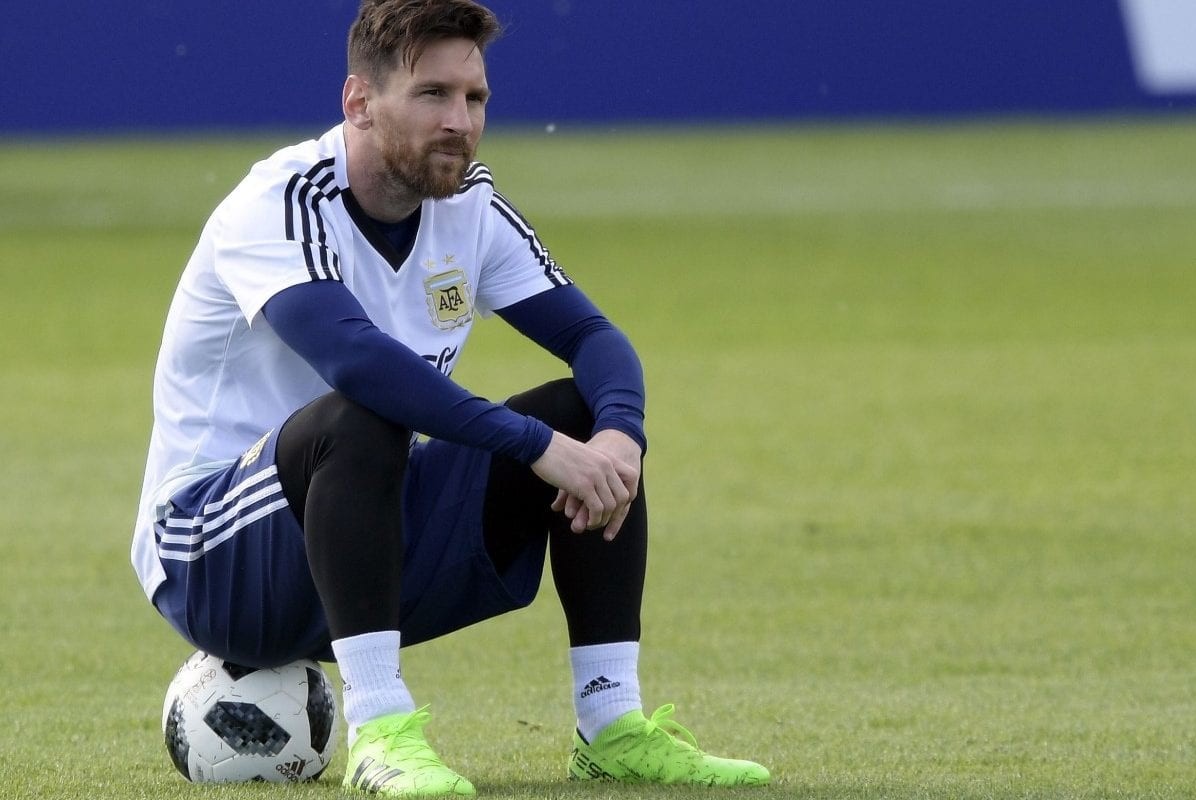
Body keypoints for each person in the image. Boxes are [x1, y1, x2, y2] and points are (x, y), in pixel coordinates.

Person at [130, 0, 769, 795]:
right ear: (359, 102)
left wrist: (619, 436)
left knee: (578, 412)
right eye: (432, 94)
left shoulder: (470, 209)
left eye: (475, 98)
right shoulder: (280, 203)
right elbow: (358, 362)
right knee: (367, 415)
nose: (460, 121)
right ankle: (380, 733)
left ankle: (611, 725)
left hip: (360, 535)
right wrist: (537, 448)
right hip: (210, 556)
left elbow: (596, 339)